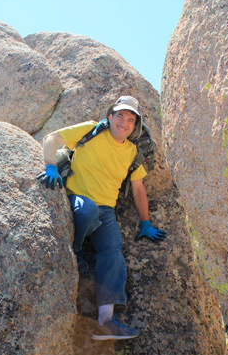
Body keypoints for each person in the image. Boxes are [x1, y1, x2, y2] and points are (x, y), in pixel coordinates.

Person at [38, 95, 166, 340]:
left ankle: (106, 320)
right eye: (120, 116)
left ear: (135, 126)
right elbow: (51, 138)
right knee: (87, 211)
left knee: (113, 252)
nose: (124, 123)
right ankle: (72, 258)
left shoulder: (132, 153)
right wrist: (50, 166)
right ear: (110, 116)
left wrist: (145, 222)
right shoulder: (91, 130)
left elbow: (139, 189)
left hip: (106, 209)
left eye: (131, 120)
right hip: (77, 198)